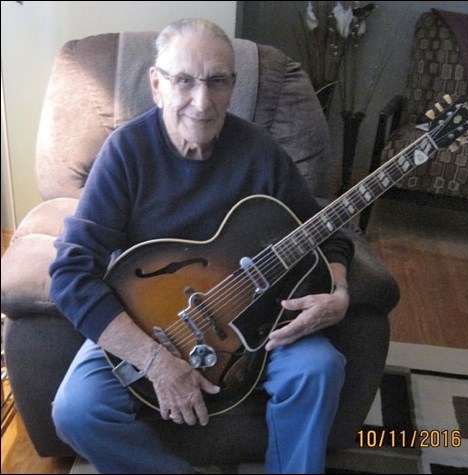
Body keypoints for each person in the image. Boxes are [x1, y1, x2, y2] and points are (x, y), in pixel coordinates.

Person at [49, 18, 354, 474]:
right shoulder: (125, 153)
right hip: (148, 322)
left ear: (232, 87)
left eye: (217, 82)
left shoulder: (260, 151)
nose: (202, 101)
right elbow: (70, 273)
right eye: (184, 81)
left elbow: (328, 231)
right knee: (76, 410)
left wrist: (340, 294)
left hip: (258, 322)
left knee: (320, 367)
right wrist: (155, 361)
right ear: (156, 85)